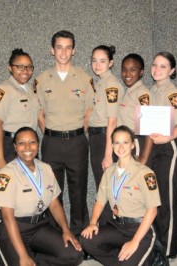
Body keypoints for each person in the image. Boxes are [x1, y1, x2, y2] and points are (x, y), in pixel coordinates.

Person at [0, 127, 83, 266]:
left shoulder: (46, 168)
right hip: (15, 227)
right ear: (15, 147)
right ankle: (10, 255)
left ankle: (34, 259)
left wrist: (66, 230)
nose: (27, 147)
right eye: (22, 143)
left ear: (38, 144)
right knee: (23, 261)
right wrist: (23, 256)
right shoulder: (6, 175)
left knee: (74, 254)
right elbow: (7, 217)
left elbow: (54, 204)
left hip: (39, 226)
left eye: (32, 142)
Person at [35, 30, 94, 236]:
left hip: (77, 142)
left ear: (74, 50)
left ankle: (80, 234)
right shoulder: (42, 79)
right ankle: (56, 235)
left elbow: (89, 111)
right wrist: (50, 133)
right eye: (59, 47)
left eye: (68, 47)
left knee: (79, 191)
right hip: (51, 142)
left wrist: (76, 132)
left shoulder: (84, 79)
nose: (63, 52)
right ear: (52, 50)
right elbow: (39, 113)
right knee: (52, 192)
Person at [80, 125, 161, 265]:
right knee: (86, 240)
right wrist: (93, 223)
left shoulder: (145, 173)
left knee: (132, 254)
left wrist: (135, 242)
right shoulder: (109, 172)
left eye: (125, 142)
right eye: (117, 142)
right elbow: (99, 201)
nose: (121, 146)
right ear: (112, 145)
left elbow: (152, 210)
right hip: (117, 226)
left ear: (133, 145)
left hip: (140, 229)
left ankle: (150, 256)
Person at [149, 52, 177, 259]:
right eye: (155, 65)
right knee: (153, 198)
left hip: (169, 148)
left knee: (167, 199)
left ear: (172, 70)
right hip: (154, 149)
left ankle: (169, 249)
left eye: (163, 66)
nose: (157, 69)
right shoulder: (152, 91)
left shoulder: (174, 94)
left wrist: (168, 137)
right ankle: (157, 245)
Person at [0, 48, 39, 170]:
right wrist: (0, 158)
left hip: (30, 146)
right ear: (10, 68)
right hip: (11, 146)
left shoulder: (31, 90)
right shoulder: (3, 89)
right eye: (20, 67)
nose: (25, 71)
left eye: (29, 67)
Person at [89, 45, 124, 187]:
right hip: (97, 138)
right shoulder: (99, 83)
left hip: (105, 139)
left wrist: (108, 155)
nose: (97, 65)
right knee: (102, 185)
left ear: (111, 63)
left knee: (106, 186)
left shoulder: (111, 86)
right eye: (94, 60)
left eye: (102, 61)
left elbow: (112, 122)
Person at [118, 53, 153, 165]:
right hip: (124, 145)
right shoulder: (128, 92)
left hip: (135, 144)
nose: (127, 74)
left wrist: (143, 158)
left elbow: (149, 128)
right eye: (124, 69)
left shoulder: (142, 94)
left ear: (141, 72)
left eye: (132, 69)